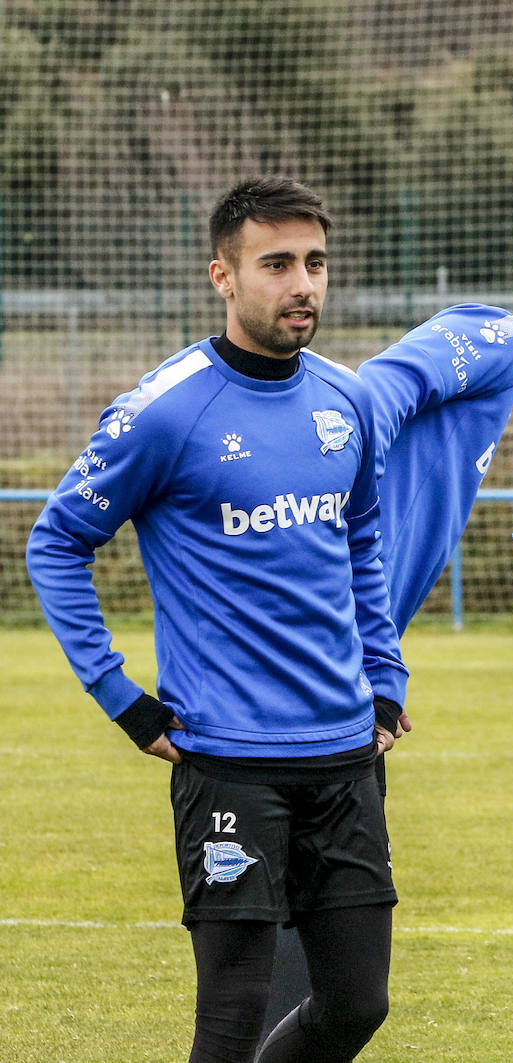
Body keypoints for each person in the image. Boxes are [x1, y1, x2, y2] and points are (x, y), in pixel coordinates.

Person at [26, 176, 410, 1063]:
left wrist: (385, 680)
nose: (303, 283)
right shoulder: (164, 410)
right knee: (232, 1014)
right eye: (276, 263)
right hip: (227, 760)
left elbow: (361, 543)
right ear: (223, 276)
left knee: (357, 1002)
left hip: (345, 754)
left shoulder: (345, 401)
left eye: (314, 262)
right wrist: (123, 698)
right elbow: (56, 542)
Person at [257, 283, 513, 1037]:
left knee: (318, 912)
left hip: (342, 662)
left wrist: (378, 669)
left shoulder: (493, 395)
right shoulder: (492, 337)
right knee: (333, 924)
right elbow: (375, 395)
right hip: (315, 649)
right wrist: (332, 532)